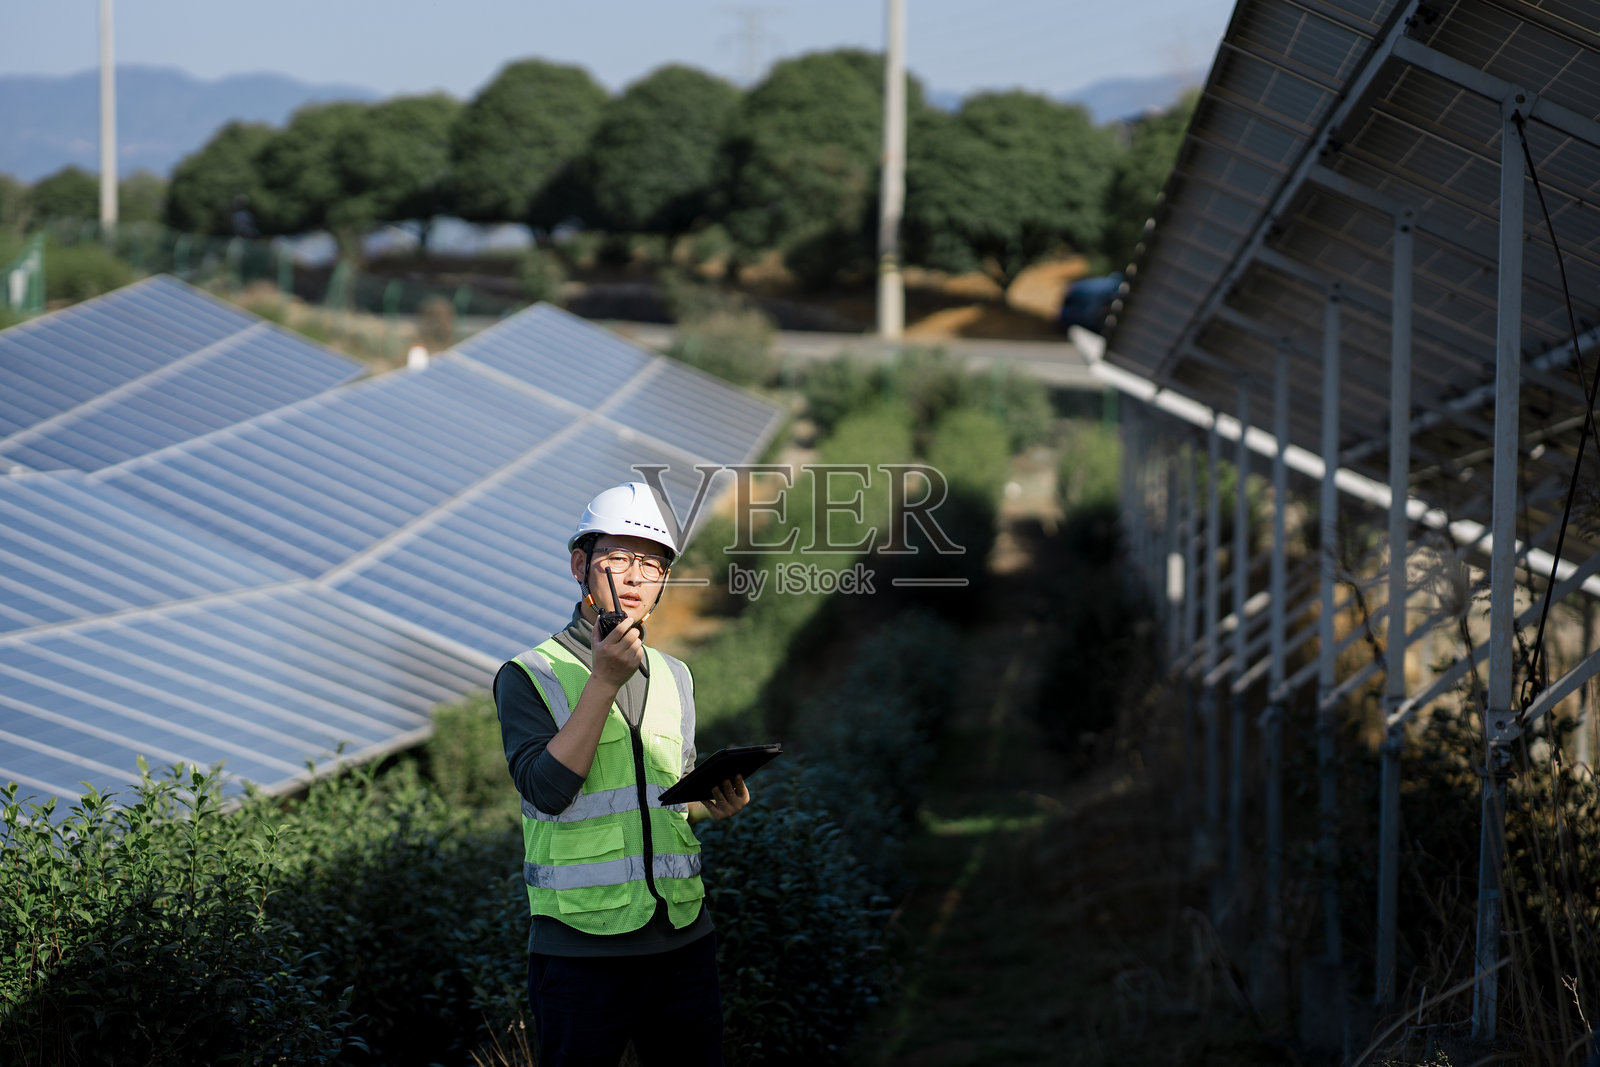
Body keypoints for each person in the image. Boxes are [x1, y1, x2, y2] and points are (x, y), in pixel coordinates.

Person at [494, 481, 750, 1066]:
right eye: (619, 559)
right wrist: (604, 680)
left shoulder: (675, 675)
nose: (636, 577)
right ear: (581, 566)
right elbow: (547, 790)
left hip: (683, 938)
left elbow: (661, 798)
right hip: (581, 952)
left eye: (653, 564)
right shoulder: (529, 674)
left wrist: (710, 802)